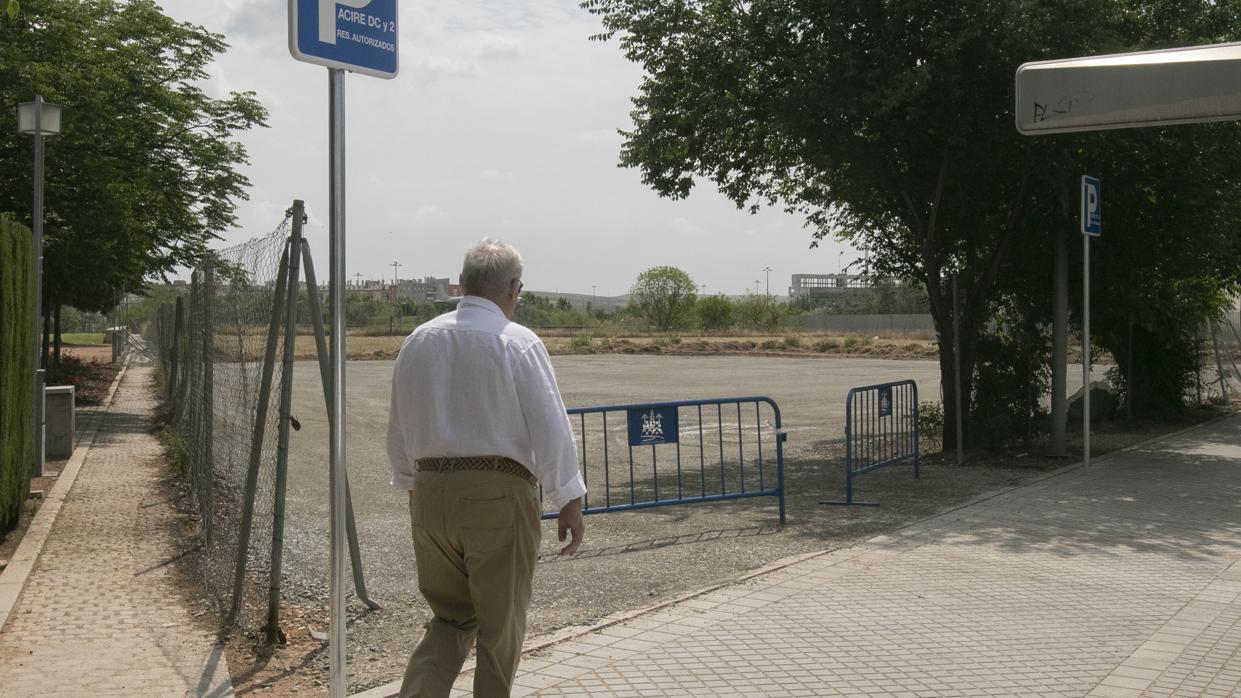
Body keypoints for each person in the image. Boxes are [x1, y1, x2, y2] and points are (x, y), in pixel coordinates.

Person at [386, 239, 586, 698]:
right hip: (499, 494)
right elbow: (550, 426)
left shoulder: (419, 340)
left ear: (465, 284)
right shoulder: (518, 343)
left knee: (450, 618)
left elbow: (399, 423)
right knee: (500, 631)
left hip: (431, 493)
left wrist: (413, 487)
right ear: (514, 288)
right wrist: (568, 500)